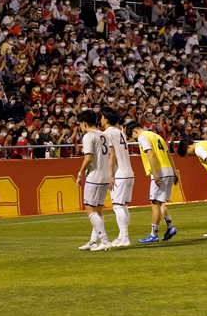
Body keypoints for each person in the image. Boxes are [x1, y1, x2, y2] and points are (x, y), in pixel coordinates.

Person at [126, 122, 179, 243]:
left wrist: (155, 173)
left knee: (154, 203)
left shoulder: (142, 137)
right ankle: (170, 227)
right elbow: (168, 154)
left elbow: (150, 154)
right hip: (168, 170)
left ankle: (154, 234)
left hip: (159, 171)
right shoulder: (156, 136)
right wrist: (174, 172)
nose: (132, 138)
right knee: (160, 203)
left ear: (134, 131)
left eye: (131, 135)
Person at [75, 111, 112, 252]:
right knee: (98, 210)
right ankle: (93, 242)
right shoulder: (104, 135)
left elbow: (88, 157)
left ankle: (105, 241)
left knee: (89, 209)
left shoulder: (88, 136)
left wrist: (80, 174)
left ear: (84, 123)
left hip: (94, 177)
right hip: (105, 176)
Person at [100, 107, 134, 247]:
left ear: (106, 119)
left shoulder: (106, 134)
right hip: (129, 173)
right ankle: (122, 236)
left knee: (118, 206)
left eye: (102, 117)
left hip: (119, 174)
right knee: (123, 206)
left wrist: (111, 176)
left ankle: (125, 237)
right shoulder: (121, 133)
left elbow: (111, 155)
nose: (100, 120)